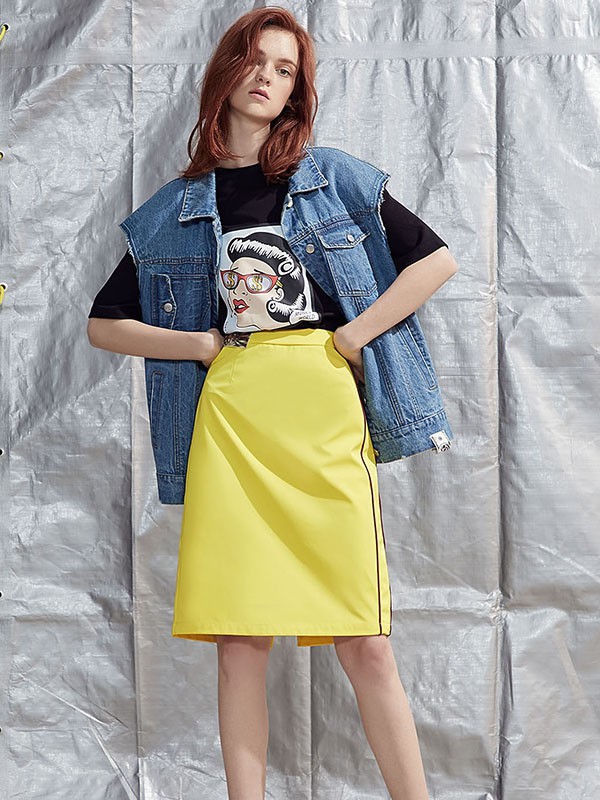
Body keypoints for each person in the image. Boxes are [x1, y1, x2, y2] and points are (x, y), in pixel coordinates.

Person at [87, 7, 458, 800]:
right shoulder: (175, 208)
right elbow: (103, 325)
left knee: (364, 638)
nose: (267, 77)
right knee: (240, 642)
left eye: (285, 69)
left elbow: (435, 261)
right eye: (256, 60)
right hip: (233, 419)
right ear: (226, 70)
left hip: (322, 411)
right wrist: (199, 344)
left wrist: (352, 334)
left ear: (297, 92)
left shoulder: (332, 177)